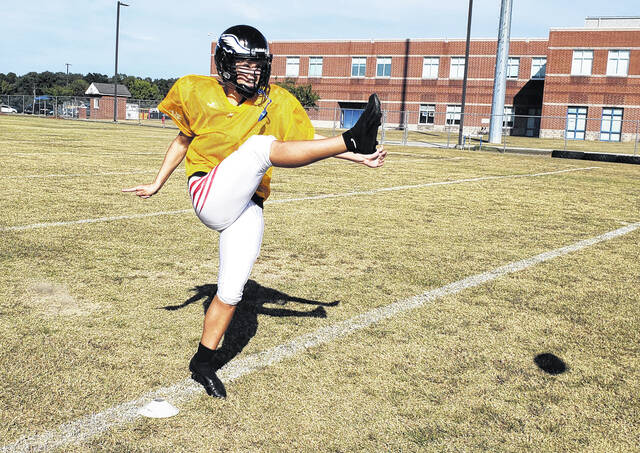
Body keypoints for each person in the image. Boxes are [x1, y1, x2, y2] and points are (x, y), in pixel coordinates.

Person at [123, 25, 385, 398]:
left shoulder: (273, 100)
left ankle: (202, 364)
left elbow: (305, 141)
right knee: (261, 148)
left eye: (258, 65)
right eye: (245, 65)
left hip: (248, 203)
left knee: (232, 290)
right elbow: (182, 141)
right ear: (225, 64)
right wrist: (156, 183)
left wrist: (358, 158)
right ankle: (353, 135)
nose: (254, 73)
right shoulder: (197, 91)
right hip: (209, 193)